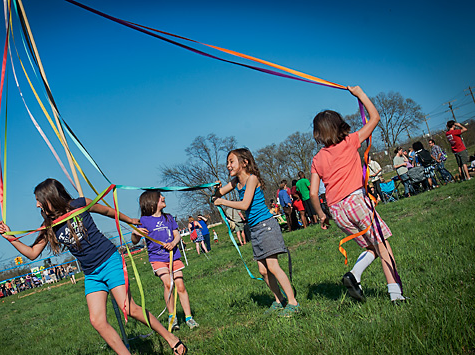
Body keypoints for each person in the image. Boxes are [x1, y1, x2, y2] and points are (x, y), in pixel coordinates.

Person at [0, 178, 187, 355]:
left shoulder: (79, 204)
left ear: (50, 197)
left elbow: (107, 211)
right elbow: (32, 253)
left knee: (130, 308)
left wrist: (130, 220)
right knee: (97, 320)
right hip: (91, 273)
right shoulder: (49, 225)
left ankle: (172, 339)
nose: (37, 204)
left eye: (39, 199)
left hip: (110, 260)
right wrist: (10, 238)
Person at [309, 86, 405, 304]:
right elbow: (375, 117)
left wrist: (321, 215)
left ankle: (354, 274)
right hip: (356, 201)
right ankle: (396, 295)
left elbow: (314, 194)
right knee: (383, 246)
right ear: (339, 125)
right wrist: (360, 95)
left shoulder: (317, 159)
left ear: (318, 134)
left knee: (370, 247)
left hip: (336, 210)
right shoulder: (350, 141)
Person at [214, 148, 299, 317]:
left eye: (231, 161)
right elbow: (217, 194)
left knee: (273, 267)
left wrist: (223, 201)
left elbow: (245, 205)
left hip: (266, 225)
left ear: (244, 162)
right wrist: (216, 188)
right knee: (263, 271)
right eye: (227, 162)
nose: (228, 165)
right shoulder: (235, 182)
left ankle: (293, 302)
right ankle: (279, 299)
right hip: (255, 229)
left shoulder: (251, 179)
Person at [131, 191, 199, 330]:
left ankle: (188, 317)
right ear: (151, 201)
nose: (164, 197)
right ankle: (172, 317)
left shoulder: (168, 218)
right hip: (157, 259)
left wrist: (174, 243)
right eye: (160, 196)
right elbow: (135, 241)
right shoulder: (144, 220)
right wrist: (135, 233)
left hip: (173, 256)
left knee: (180, 285)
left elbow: (177, 235)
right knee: (168, 284)